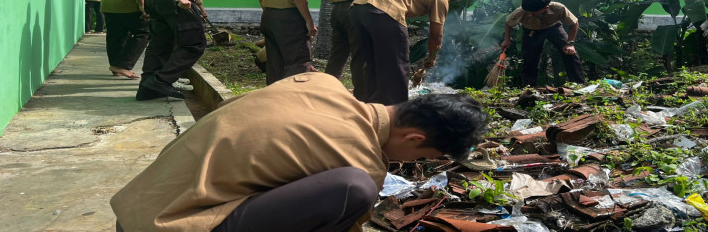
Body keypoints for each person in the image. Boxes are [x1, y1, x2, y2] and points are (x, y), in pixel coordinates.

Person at [110, 72, 488, 232]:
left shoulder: (319, 82)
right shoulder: (362, 163)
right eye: (420, 158)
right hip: (171, 227)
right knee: (351, 188)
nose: (413, 164)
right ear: (415, 138)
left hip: (137, 209)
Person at [349, 0, 461, 105]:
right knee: (397, 63)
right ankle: (397, 109)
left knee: (371, 60)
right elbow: (436, 36)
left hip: (356, 8)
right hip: (384, 9)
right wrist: (431, 57)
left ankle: (366, 104)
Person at [501, 0, 586, 86]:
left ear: (546, 8)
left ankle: (578, 84)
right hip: (531, 31)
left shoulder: (559, 8)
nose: (530, 13)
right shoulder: (521, 11)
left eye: (533, 12)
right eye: (528, 11)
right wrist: (507, 40)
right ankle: (529, 87)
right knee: (529, 59)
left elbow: (574, 23)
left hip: (554, 28)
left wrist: (570, 44)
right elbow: (508, 23)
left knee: (570, 52)